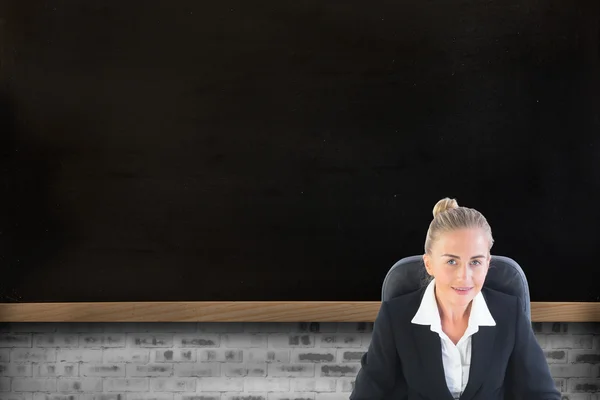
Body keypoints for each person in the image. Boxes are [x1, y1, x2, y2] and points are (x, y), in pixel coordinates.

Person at [349, 198, 560, 400]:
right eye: (451, 261)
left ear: (487, 263)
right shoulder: (395, 317)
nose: (464, 276)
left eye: (475, 262)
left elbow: (542, 394)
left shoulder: (510, 313)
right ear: (429, 264)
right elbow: (367, 395)